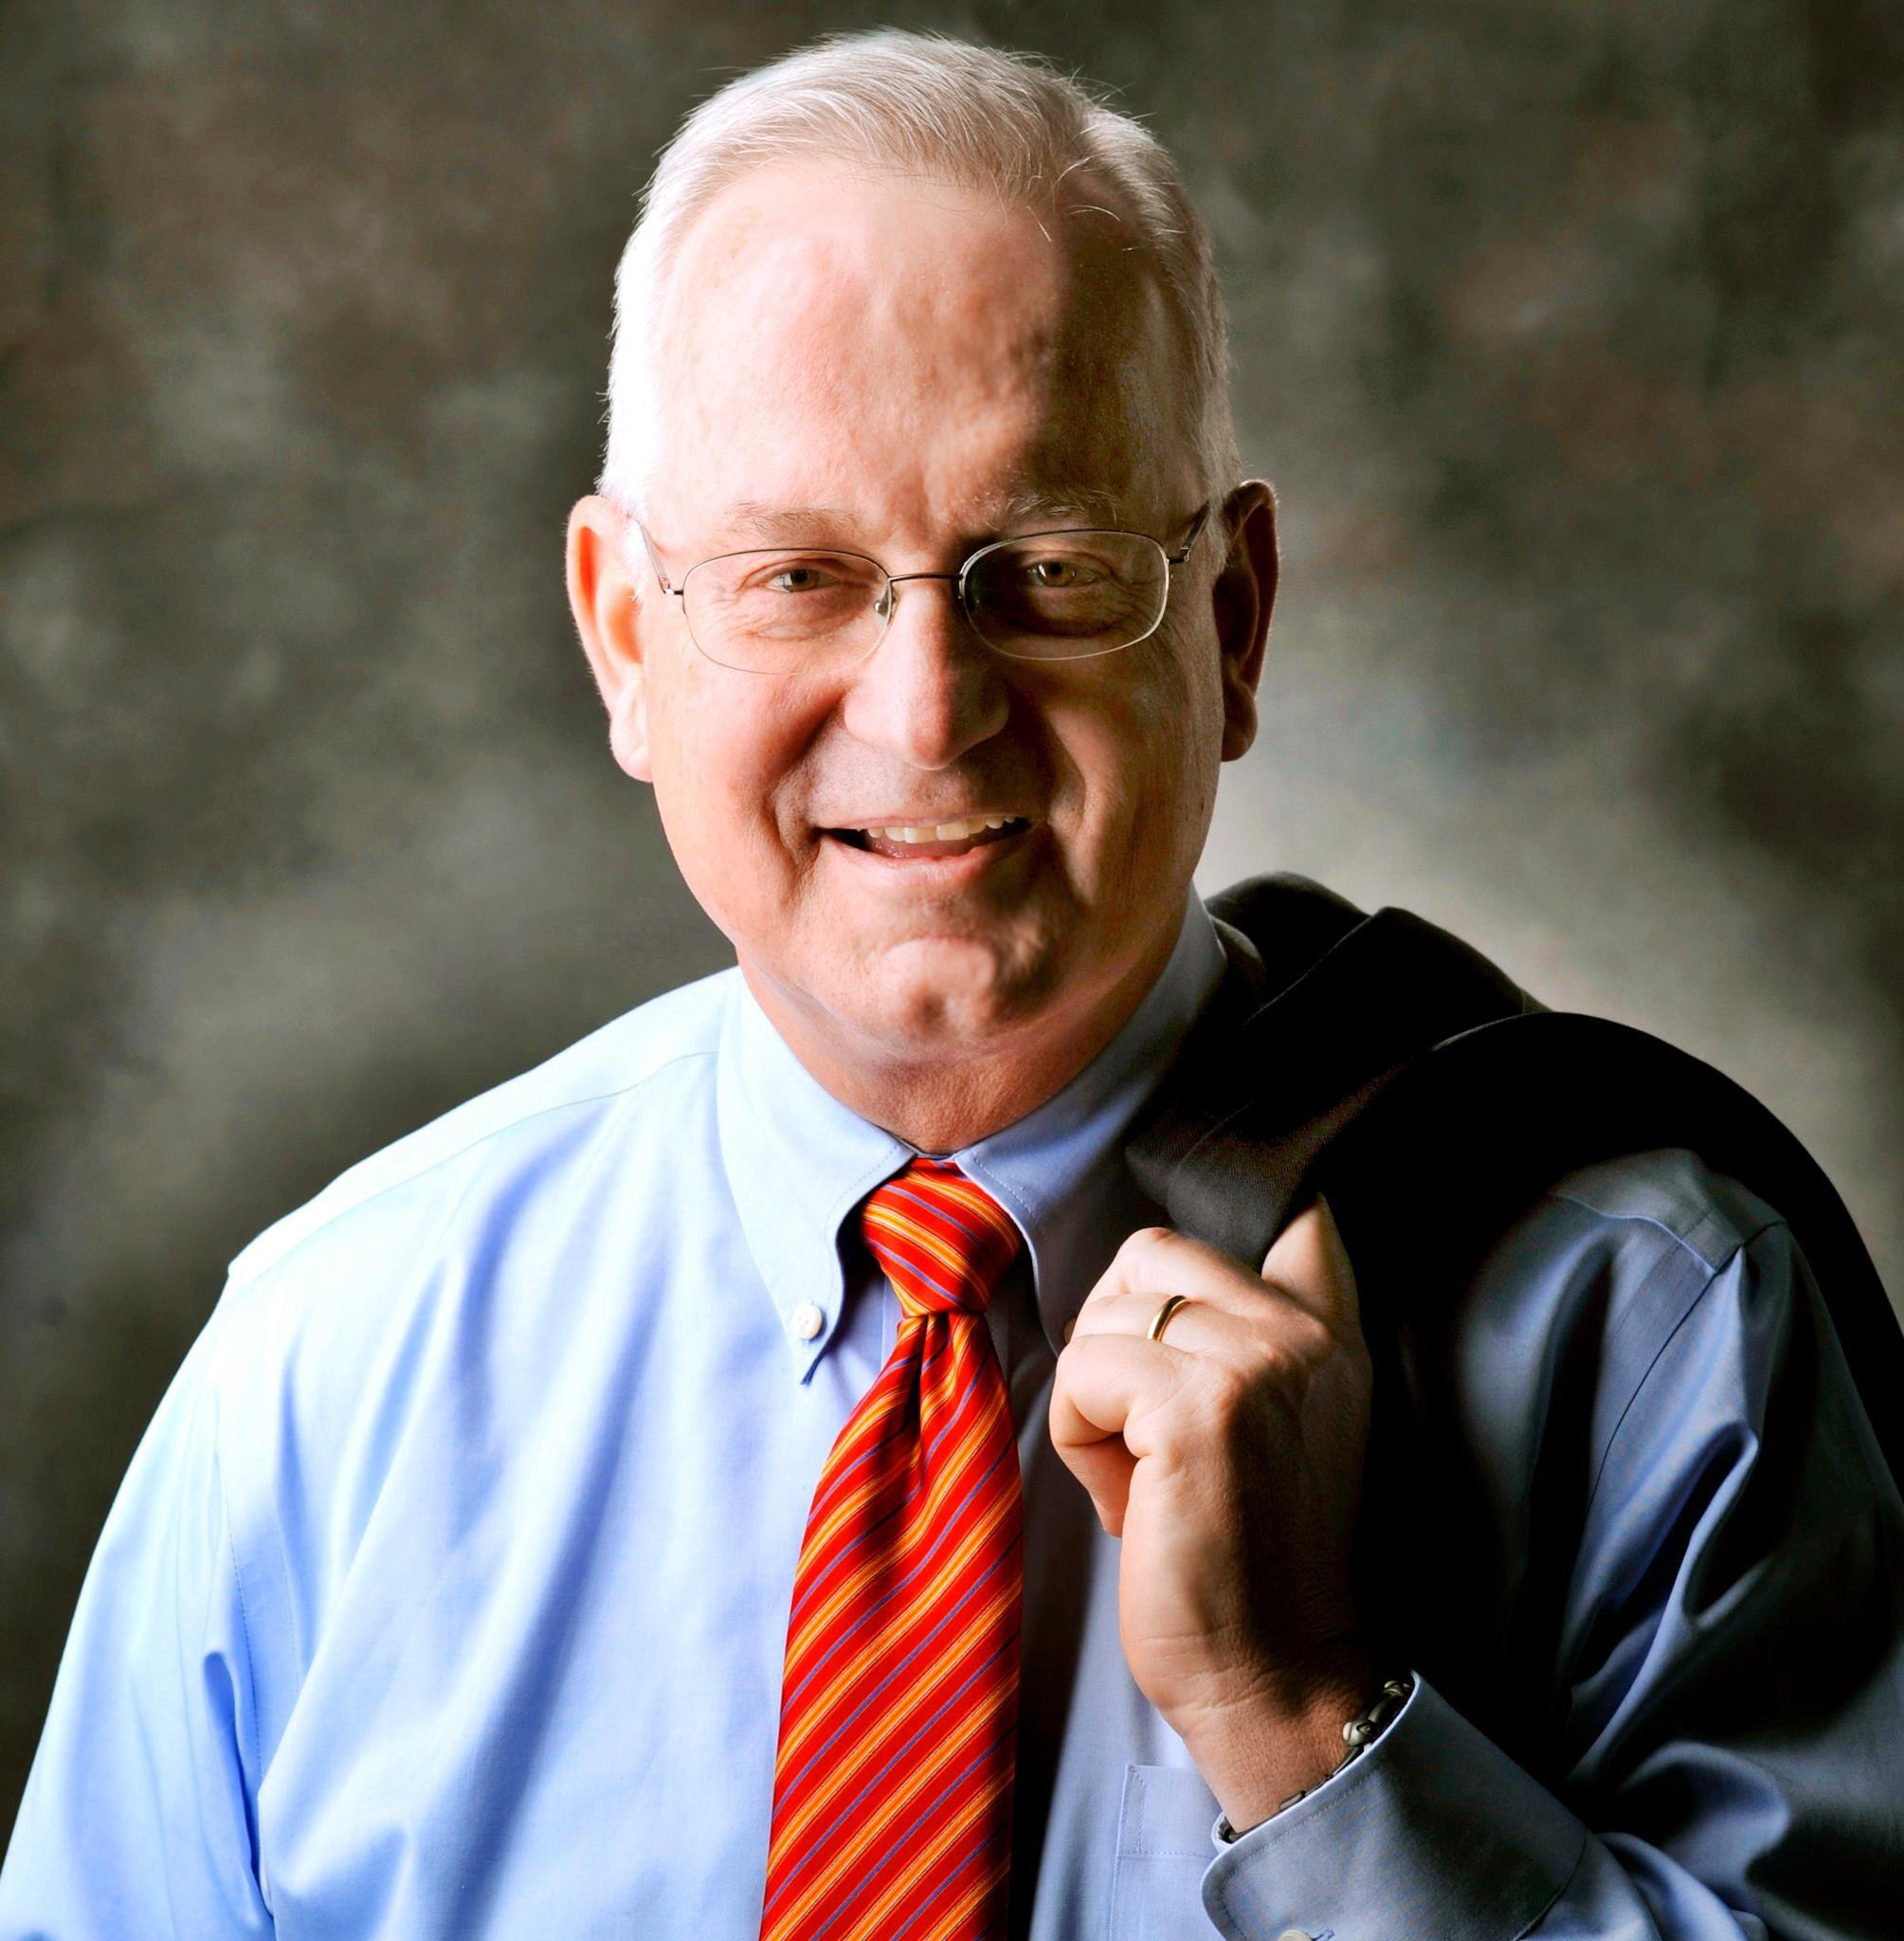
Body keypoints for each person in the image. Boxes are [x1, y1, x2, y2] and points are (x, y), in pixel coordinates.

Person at [3, 28, 1899, 1941]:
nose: (927, 716)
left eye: (1047, 564)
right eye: (796, 574)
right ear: (622, 636)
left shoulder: (1657, 1333)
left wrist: (1309, 1727)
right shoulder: (326, 1368)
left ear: (1231, 622)